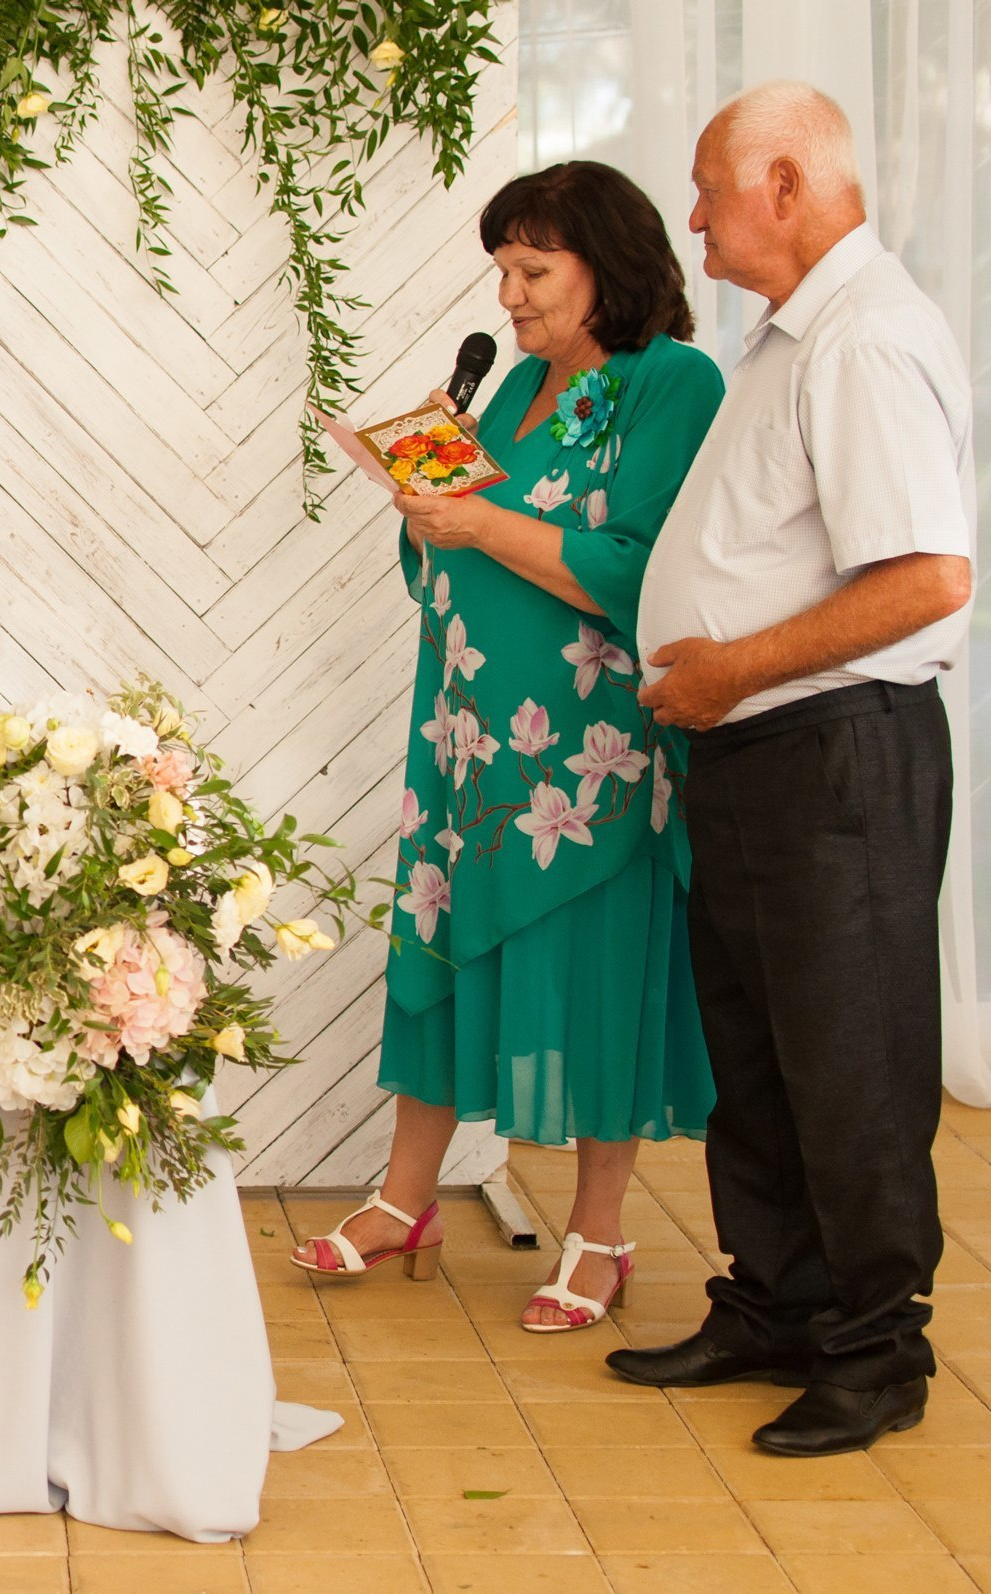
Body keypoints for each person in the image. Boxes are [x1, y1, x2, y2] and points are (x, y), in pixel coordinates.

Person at [292, 163, 726, 1334]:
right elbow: (451, 564)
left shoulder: (672, 383)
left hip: (590, 753)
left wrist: (475, 516)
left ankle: (599, 1232)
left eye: (533, 270)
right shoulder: (519, 382)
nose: (511, 294)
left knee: (597, 966)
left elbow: (643, 565)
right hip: (466, 729)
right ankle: (405, 1199)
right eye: (503, 270)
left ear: (609, 264)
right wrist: (424, 509)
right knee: (433, 944)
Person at [611, 82, 973, 1457]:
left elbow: (928, 581)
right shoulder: (792, 339)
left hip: (832, 752)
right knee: (756, 1056)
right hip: (760, 751)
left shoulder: (867, 341)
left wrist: (732, 668)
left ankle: (877, 1352)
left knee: (849, 1059)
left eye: (709, 189)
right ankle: (778, 1302)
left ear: (782, 184)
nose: (691, 218)